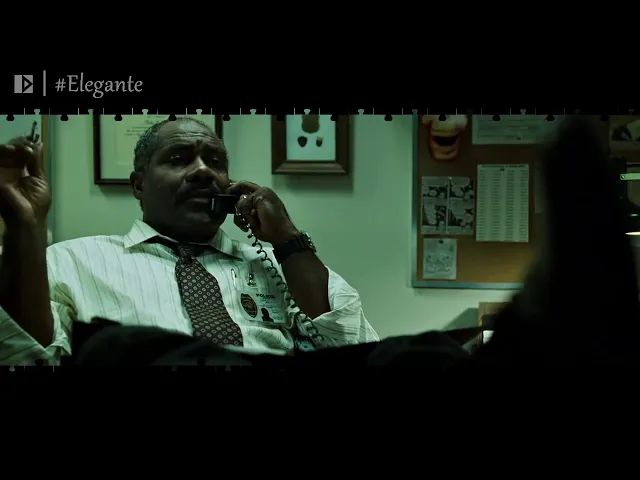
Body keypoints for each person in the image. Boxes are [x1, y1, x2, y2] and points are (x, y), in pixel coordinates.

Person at [0, 116, 378, 366]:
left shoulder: (278, 265)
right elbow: (24, 357)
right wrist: (26, 228)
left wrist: (288, 238)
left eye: (216, 162)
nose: (202, 171)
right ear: (138, 186)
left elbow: (353, 349)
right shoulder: (72, 261)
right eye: (179, 159)